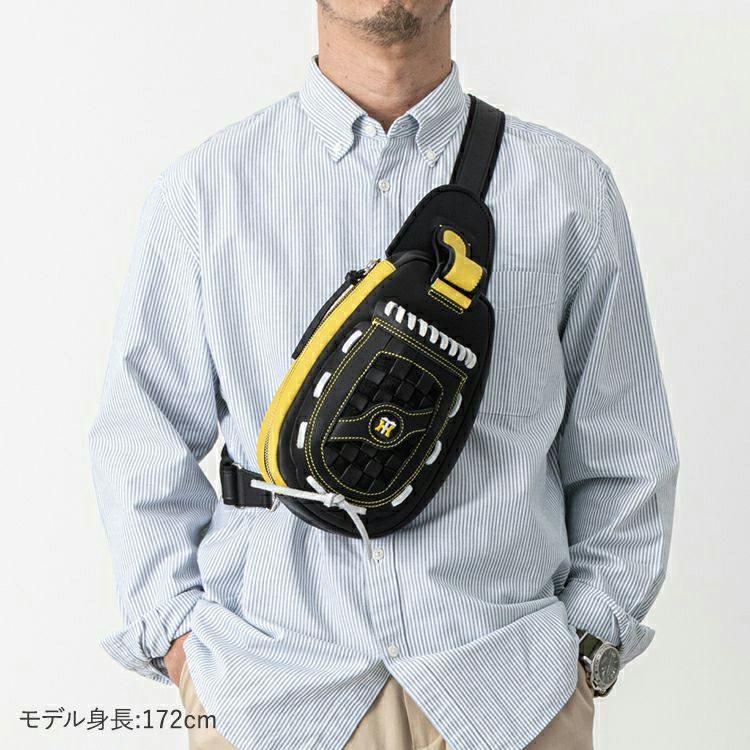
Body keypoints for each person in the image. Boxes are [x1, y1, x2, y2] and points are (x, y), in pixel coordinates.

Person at [89, 2, 680, 749]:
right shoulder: (207, 191)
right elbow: (139, 438)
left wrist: (589, 640)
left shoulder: (569, 189)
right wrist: (179, 641)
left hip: (510, 695)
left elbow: (627, 450)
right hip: (270, 695)